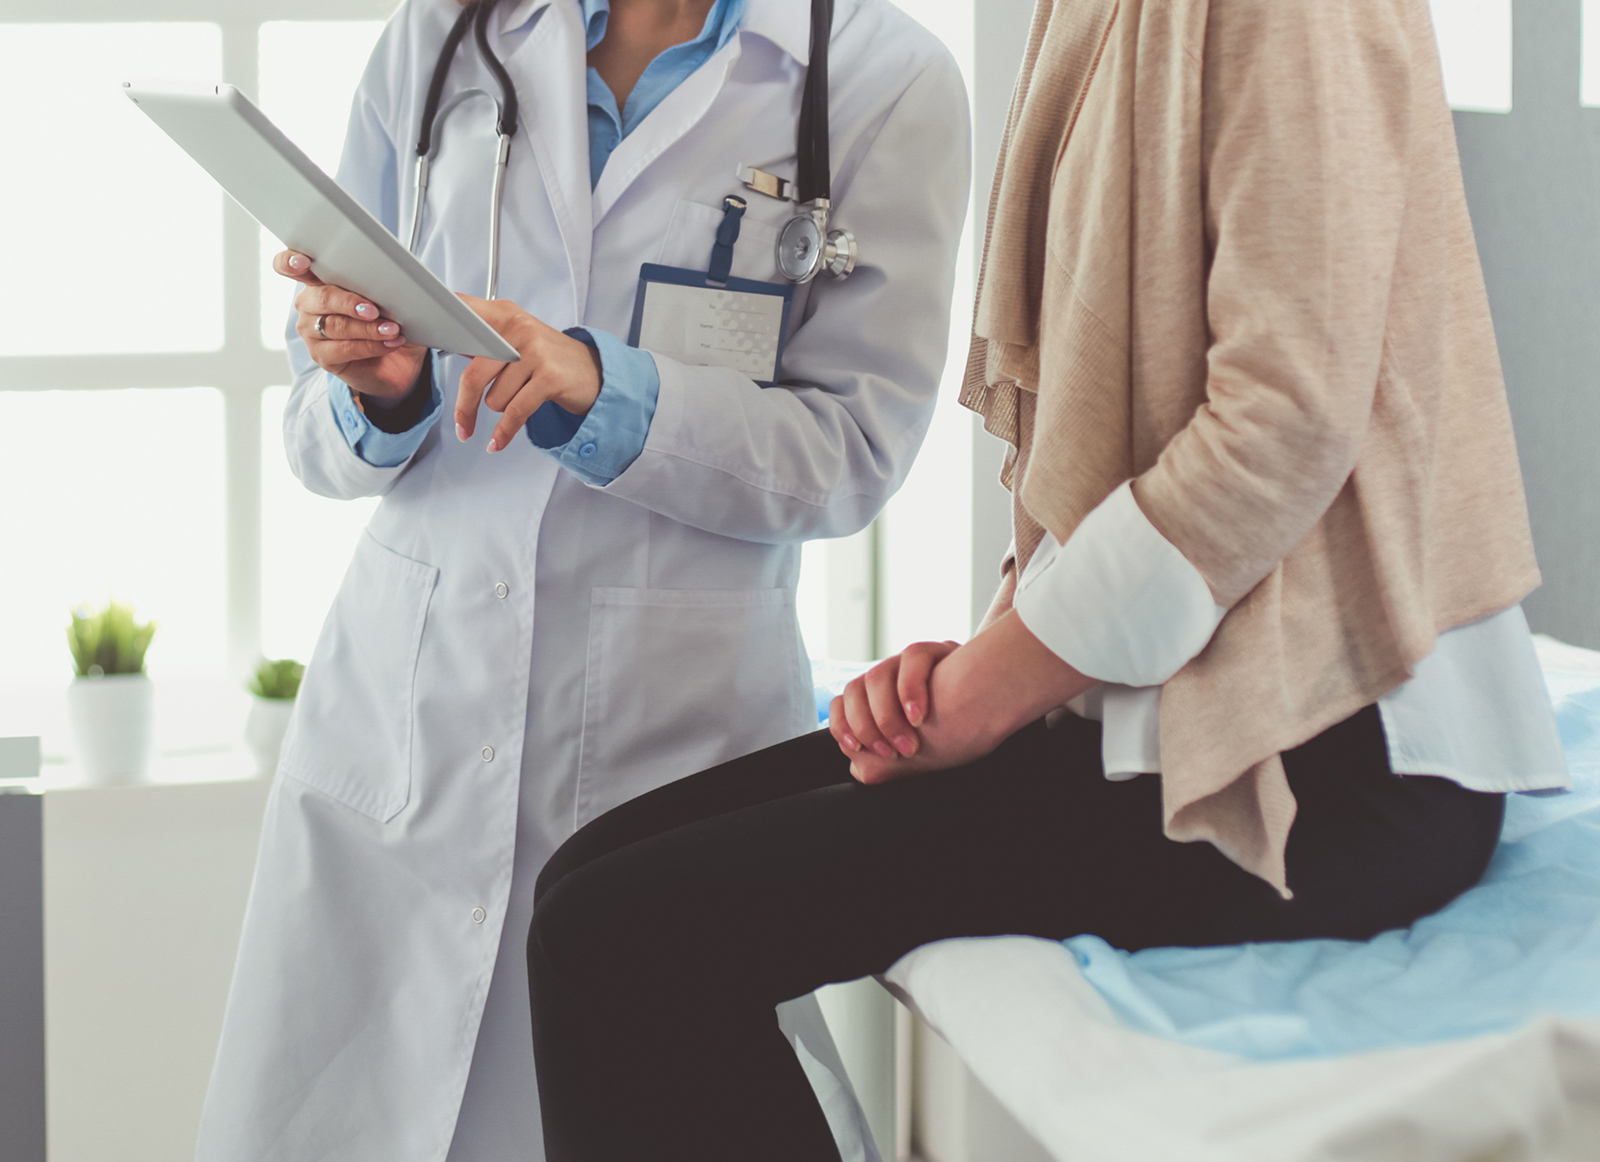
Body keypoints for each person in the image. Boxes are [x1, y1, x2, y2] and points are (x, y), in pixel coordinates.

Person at [522, 0, 1574, 1158]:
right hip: (1155, 690)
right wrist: (998, 650)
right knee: (586, 884)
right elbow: (1121, 432)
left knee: (614, 936)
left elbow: (1280, 426)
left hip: (1326, 751)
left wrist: (993, 693)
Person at [195, 1, 969, 1159]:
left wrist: (606, 392)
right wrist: (379, 387)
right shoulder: (440, 38)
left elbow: (852, 457)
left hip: (673, 739)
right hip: (408, 721)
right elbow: (314, 424)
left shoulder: (879, 75)